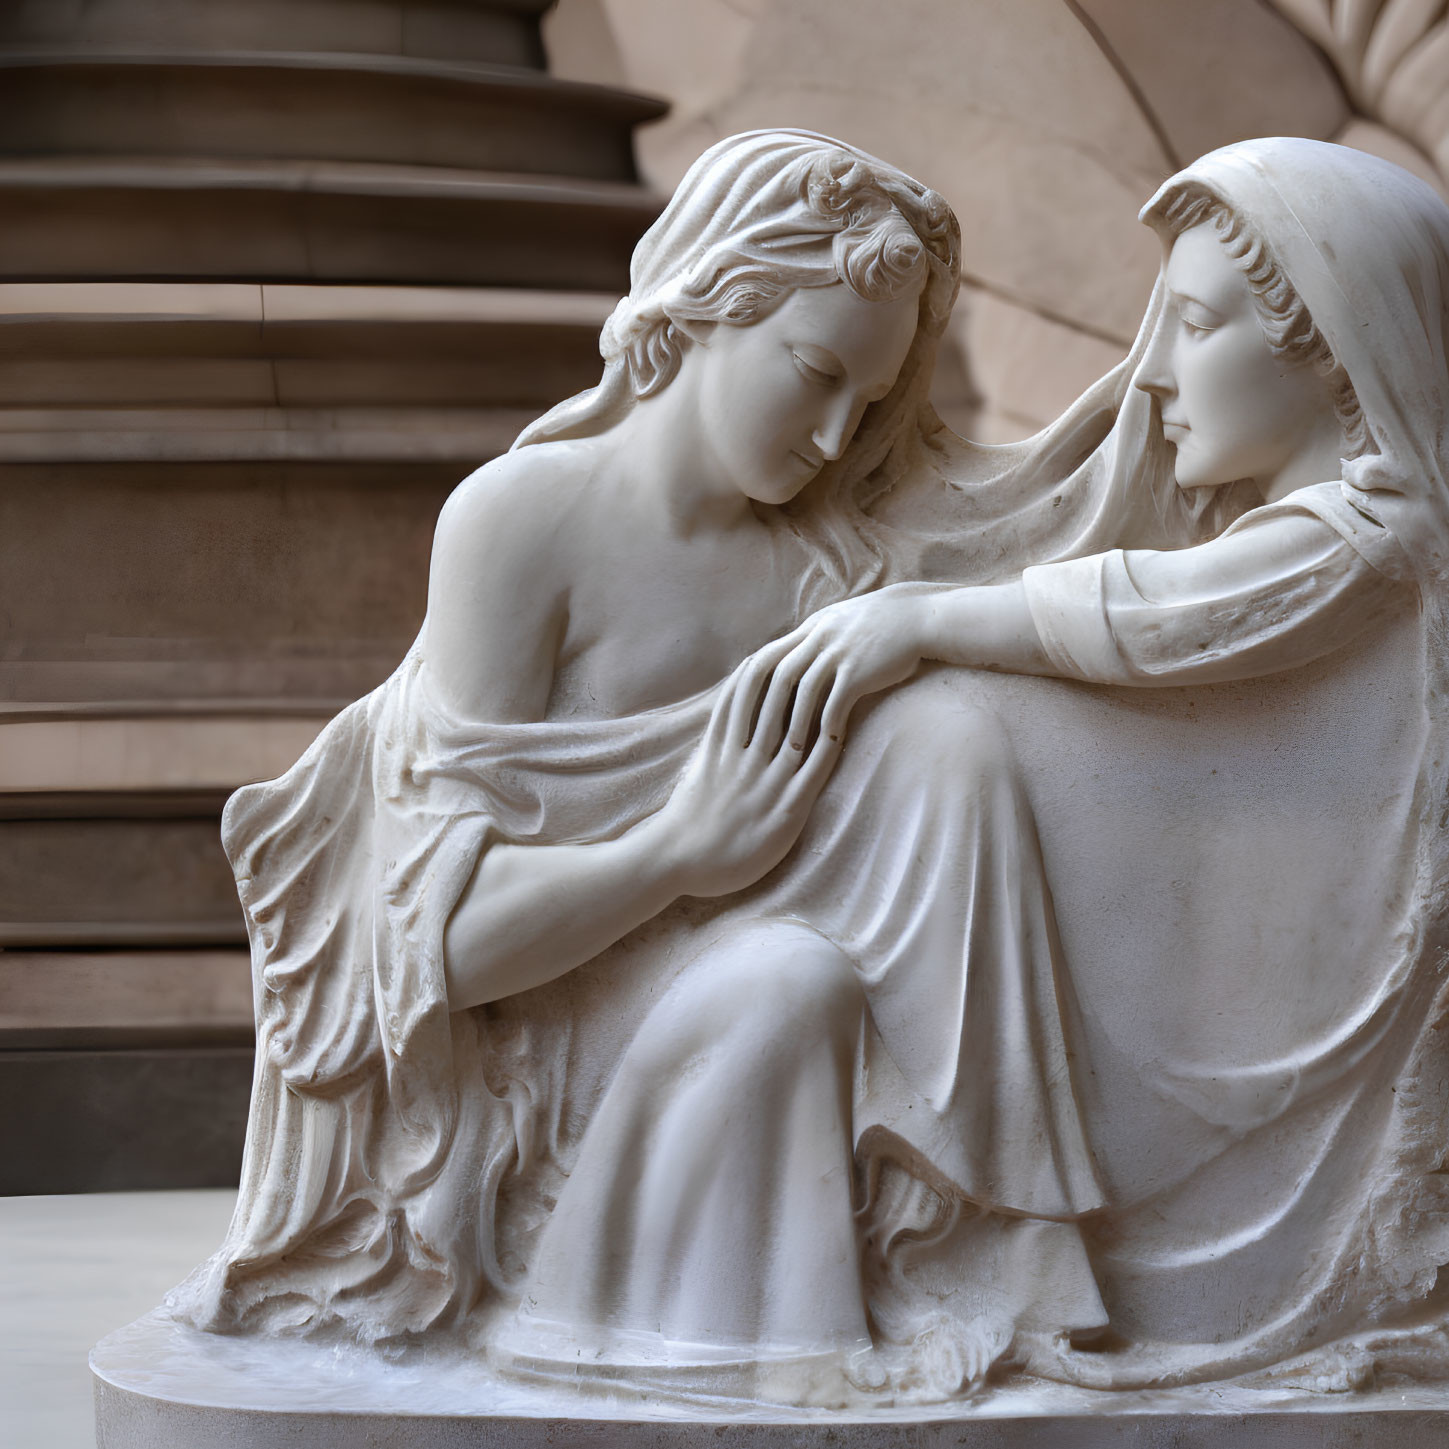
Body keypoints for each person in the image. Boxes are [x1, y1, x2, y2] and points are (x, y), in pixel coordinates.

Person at [170, 131, 1117, 1399]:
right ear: (712, 304)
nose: (838, 439)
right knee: (786, 982)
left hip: (740, 973)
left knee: (948, 753)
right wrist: (680, 853)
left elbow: (1053, 521)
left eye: (870, 403)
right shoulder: (526, 524)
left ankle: (1009, 1256)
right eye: (815, 373)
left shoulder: (825, 571)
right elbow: (435, 956)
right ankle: (689, 1348)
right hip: (540, 1049)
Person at [768, 135, 1449, 1386]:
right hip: (1193, 1031)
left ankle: (992, 1229)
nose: (1152, 377)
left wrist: (911, 619)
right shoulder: (1317, 530)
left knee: (938, 729)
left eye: (1195, 326)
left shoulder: (1373, 541)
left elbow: (1142, 614)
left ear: (1331, 347)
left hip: (1251, 1126)